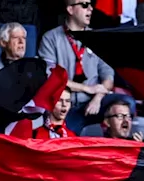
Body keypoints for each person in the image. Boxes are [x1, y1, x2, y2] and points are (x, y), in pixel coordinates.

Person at [37, 0, 114, 133]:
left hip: (95, 101)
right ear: (70, 10)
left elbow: (108, 74)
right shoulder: (50, 38)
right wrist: (87, 88)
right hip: (66, 105)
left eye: (91, 5)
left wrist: (98, 96)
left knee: (125, 103)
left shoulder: (97, 37)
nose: (90, 9)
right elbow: (51, 77)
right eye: (84, 5)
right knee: (66, 134)